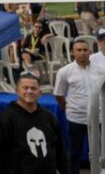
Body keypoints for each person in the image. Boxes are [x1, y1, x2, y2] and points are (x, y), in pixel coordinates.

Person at [0, 73, 68, 174]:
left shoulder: (50, 118)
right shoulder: (5, 118)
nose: (29, 91)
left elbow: (60, 152)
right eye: (25, 88)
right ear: (17, 91)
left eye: (33, 88)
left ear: (40, 93)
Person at [54, 37, 103, 174]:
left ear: (90, 51)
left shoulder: (100, 70)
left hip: (98, 118)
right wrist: (68, 108)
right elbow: (58, 94)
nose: (82, 53)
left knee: (100, 152)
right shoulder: (64, 72)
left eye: (85, 50)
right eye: (79, 50)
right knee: (74, 152)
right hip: (76, 118)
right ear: (72, 52)